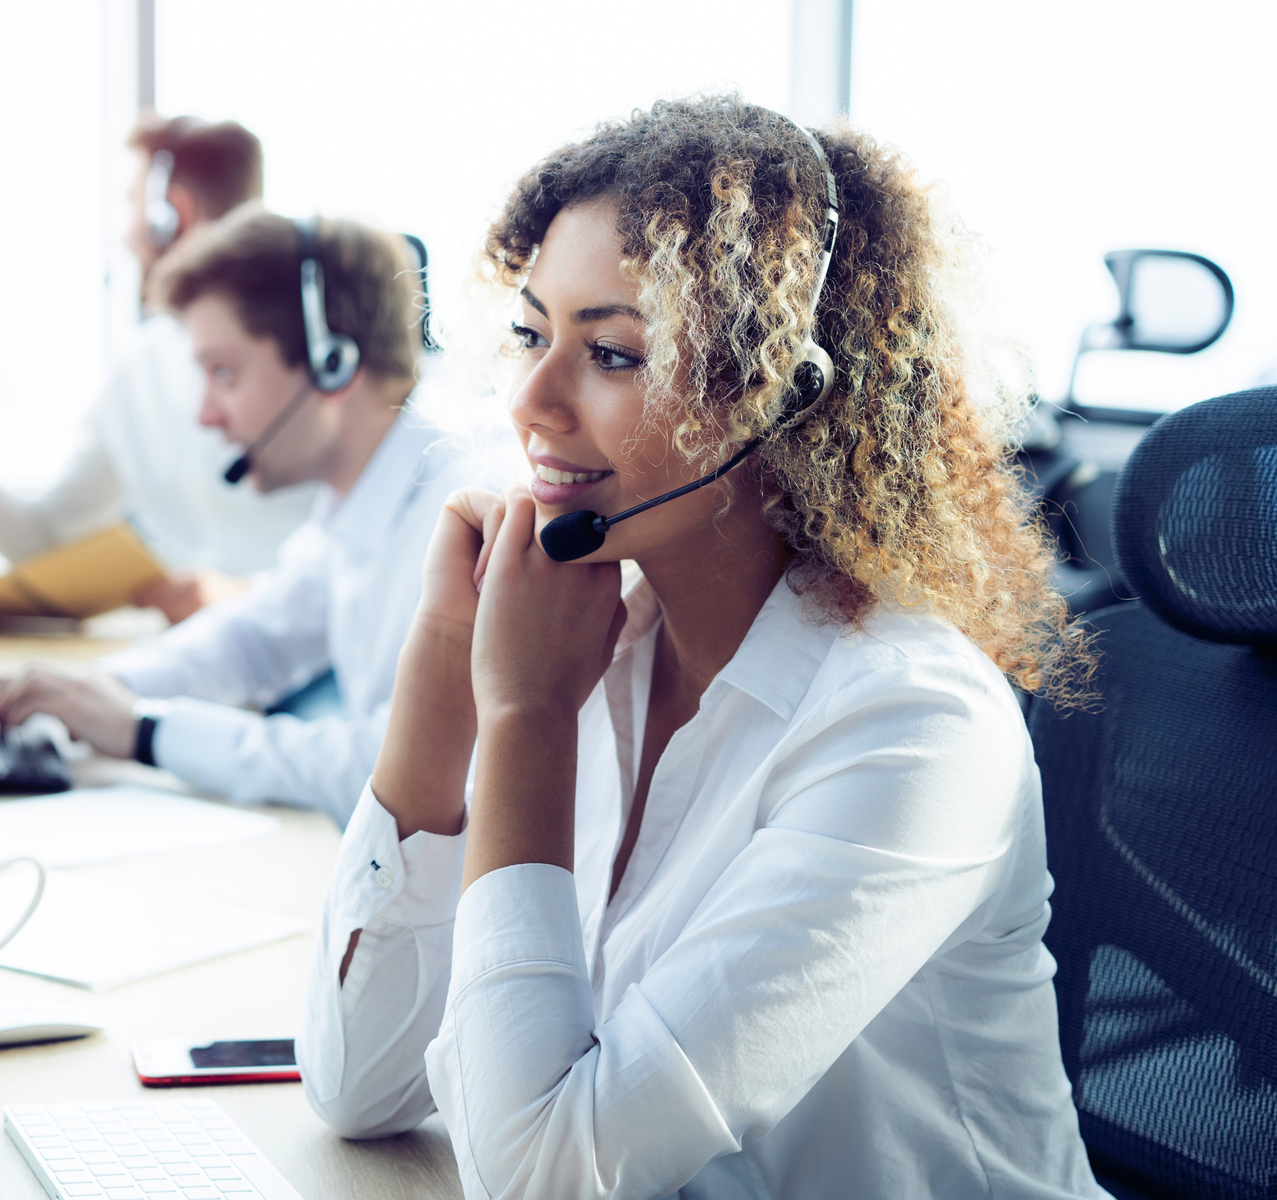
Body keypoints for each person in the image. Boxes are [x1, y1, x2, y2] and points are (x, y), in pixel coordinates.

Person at [299, 96, 1106, 1199]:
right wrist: (445, 677)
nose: (533, 401)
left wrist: (526, 722)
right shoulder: (598, 637)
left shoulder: (911, 729)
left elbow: (542, 1176)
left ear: (790, 396)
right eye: (534, 333)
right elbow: (359, 1087)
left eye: (615, 353)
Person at [0, 207, 477, 826]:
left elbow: (393, 761)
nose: (206, 415)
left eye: (224, 372)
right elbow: (250, 640)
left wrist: (144, 731)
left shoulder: (466, 508)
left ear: (334, 363)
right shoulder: (361, 494)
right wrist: (85, 690)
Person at [0, 115, 316, 623]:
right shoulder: (142, 368)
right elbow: (45, 541)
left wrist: (243, 596)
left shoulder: (317, 355)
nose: (126, 237)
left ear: (172, 213)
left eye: (133, 204)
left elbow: (371, 564)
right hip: (205, 662)